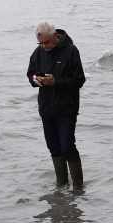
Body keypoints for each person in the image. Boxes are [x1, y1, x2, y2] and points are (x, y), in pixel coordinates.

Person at [26, 22, 86, 189]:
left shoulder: (71, 51)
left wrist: (56, 82)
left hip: (67, 108)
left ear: (55, 37)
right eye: (41, 43)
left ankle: (78, 188)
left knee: (67, 146)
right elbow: (30, 74)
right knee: (53, 147)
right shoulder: (38, 52)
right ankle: (61, 186)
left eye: (46, 42)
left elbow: (79, 80)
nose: (44, 46)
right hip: (46, 109)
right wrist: (36, 81)